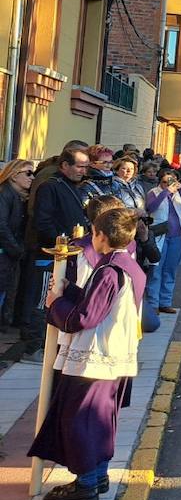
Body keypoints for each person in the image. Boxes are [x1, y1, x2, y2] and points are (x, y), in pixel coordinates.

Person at [27, 206, 144, 500]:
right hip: (116, 355)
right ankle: (99, 474)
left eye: (93, 233)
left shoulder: (108, 271)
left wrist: (56, 303)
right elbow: (100, 304)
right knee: (101, 420)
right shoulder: (127, 265)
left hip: (96, 358)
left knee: (80, 420)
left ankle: (86, 483)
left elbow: (85, 318)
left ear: (101, 236)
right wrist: (70, 293)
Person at [21, 146, 95, 349]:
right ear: (64, 165)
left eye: (86, 167)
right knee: (42, 298)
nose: (83, 171)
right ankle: (34, 344)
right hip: (49, 254)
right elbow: (42, 222)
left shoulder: (72, 186)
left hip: (68, 255)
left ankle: (50, 344)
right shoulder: (50, 186)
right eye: (79, 166)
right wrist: (62, 242)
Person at [143, 166, 181, 324]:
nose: (169, 184)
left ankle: (165, 302)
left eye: (172, 180)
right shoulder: (154, 192)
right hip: (159, 236)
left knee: (170, 270)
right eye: (165, 181)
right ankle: (153, 304)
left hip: (177, 236)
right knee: (156, 269)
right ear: (160, 181)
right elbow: (150, 207)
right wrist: (166, 192)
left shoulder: (180, 194)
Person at [0, 159, 35, 325]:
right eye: (28, 173)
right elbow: (2, 226)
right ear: (14, 176)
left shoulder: (17, 197)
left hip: (9, 255)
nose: (32, 177)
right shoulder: (4, 194)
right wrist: (17, 250)